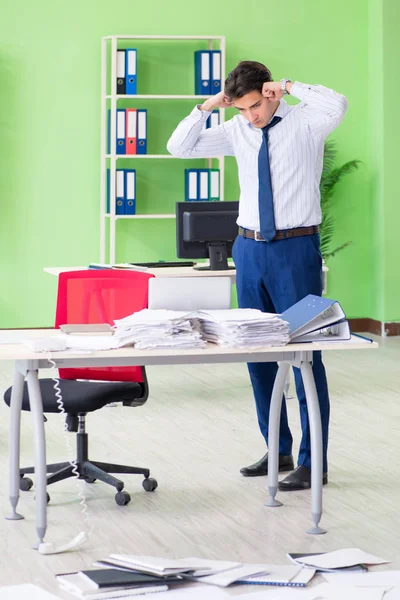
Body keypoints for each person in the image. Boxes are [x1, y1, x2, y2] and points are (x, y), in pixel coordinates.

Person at [167, 61, 348, 491]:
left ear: (268, 94)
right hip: (248, 250)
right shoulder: (236, 130)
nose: (252, 116)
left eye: (255, 106)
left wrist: (287, 85)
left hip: (295, 249)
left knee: (305, 355)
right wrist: (211, 104)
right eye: (243, 108)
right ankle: (278, 446)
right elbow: (180, 146)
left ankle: (313, 460)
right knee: (256, 351)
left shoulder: (306, 123)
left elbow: (337, 102)